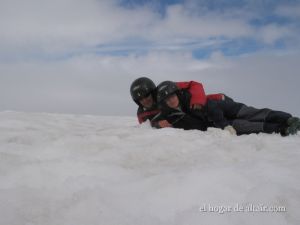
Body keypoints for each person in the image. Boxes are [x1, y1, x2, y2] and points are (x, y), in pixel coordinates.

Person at [156, 81, 300, 136]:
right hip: (216, 124)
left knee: (253, 113)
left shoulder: (190, 97)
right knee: (247, 126)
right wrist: (158, 124)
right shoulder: (172, 115)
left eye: (172, 96)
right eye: (167, 99)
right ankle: (283, 129)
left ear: (177, 94)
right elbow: (154, 120)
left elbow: (212, 108)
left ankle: (288, 118)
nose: (171, 100)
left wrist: (224, 125)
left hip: (225, 108)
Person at [130, 77, 224, 128]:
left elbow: (195, 85)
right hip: (193, 122)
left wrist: (198, 102)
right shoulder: (142, 114)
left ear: (152, 91)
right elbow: (147, 126)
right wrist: (158, 124)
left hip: (212, 104)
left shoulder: (167, 88)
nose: (145, 100)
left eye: (146, 96)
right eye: (140, 99)